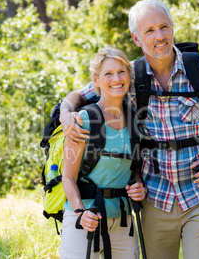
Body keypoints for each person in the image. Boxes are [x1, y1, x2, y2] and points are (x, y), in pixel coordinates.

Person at [58, 0, 199, 259]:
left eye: (164, 27)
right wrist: (66, 114)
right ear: (136, 38)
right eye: (150, 31)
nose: (160, 36)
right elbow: (82, 93)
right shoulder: (127, 76)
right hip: (154, 197)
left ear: (172, 28)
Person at [60, 47, 145, 259]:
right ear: (96, 80)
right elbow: (68, 178)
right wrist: (80, 212)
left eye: (121, 71)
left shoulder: (136, 121)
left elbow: (133, 170)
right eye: (108, 73)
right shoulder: (82, 120)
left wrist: (138, 185)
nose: (116, 78)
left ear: (129, 75)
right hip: (84, 219)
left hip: (123, 221)